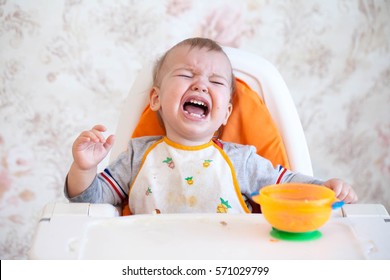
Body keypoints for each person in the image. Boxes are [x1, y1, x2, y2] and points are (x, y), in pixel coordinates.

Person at [65, 37, 358, 214]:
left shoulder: (241, 161)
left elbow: (288, 187)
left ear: (226, 113)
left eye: (216, 81)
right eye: (186, 74)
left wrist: (325, 189)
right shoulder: (135, 157)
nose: (201, 84)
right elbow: (90, 203)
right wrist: (84, 169)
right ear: (155, 98)